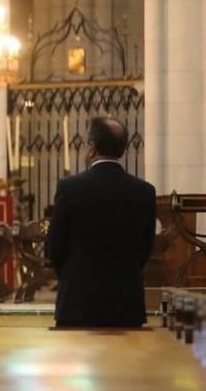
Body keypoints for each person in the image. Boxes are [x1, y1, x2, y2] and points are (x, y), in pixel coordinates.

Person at [47, 117, 156, 328]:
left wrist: (72, 275)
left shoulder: (70, 188)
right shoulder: (144, 192)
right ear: (123, 150)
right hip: (126, 304)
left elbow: (55, 246)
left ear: (91, 148)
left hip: (77, 302)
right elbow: (145, 248)